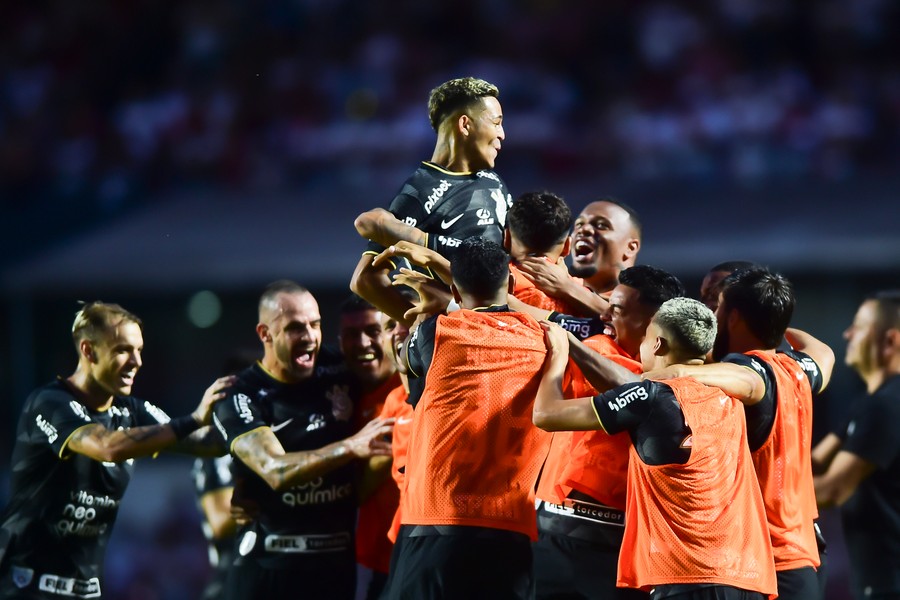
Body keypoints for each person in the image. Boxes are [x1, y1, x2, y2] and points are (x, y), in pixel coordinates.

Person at [534, 297, 777, 600]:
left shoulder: (651, 397)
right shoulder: (734, 398)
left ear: (658, 344)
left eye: (646, 338)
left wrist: (560, 352)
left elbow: (546, 415)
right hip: (747, 578)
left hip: (685, 577)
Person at [0, 301, 232, 599]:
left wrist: (264, 425)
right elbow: (106, 447)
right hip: (25, 588)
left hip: (87, 591)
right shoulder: (48, 403)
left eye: (139, 350)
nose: (137, 361)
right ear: (88, 350)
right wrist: (192, 419)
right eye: (123, 350)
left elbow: (202, 441)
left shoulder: (130, 410)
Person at [382, 237, 551, 599]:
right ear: (508, 282)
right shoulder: (547, 341)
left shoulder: (437, 333)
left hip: (435, 524)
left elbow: (405, 361)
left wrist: (431, 308)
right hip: (511, 532)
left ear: (455, 292)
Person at [652, 267, 835, 600]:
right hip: (803, 557)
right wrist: (774, 321)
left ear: (733, 316)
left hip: (764, 563)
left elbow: (720, 377)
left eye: (716, 306)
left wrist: (658, 373)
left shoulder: (747, 372)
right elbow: (823, 352)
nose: (711, 314)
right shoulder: (801, 368)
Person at [209, 280, 394, 600]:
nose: (309, 337)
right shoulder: (241, 395)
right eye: (295, 328)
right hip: (268, 569)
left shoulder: (337, 367)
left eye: (315, 325)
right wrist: (350, 447)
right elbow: (274, 469)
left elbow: (391, 361)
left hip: (334, 568)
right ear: (264, 334)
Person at [532, 265, 685, 600]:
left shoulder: (681, 381)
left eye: (617, 310)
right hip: (553, 535)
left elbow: (645, 391)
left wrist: (570, 344)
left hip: (623, 551)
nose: (605, 315)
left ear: (653, 323)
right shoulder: (599, 347)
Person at [350, 76, 513, 325]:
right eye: (496, 123)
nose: (502, 134)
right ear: (465, 124)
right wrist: (422, 329)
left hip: (510, 325)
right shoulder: (420, 190)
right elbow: (365, 280)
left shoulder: (494, 181)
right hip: (463, 338)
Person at [812, 290, 900, 600]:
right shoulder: (869, 404)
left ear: (891, 341)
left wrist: (751, 499)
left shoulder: (888, 406)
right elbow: (814, 462)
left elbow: (831, 489)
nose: (847, 333)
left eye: (860, 327)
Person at [337, 294, 402, 599]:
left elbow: (358, 490)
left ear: (392, 331)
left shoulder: (408, 393)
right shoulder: (340, 394)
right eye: (351, 335)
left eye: (373, 332)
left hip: (407, 560)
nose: (362, 343)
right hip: (368, 563)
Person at [513, 198, 641, 317]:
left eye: (602, 225)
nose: (584, 229)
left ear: (631, 247)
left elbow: (636, 327)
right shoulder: (543, 288)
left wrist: (567, 286)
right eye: (579, 224)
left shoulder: (650, 302)